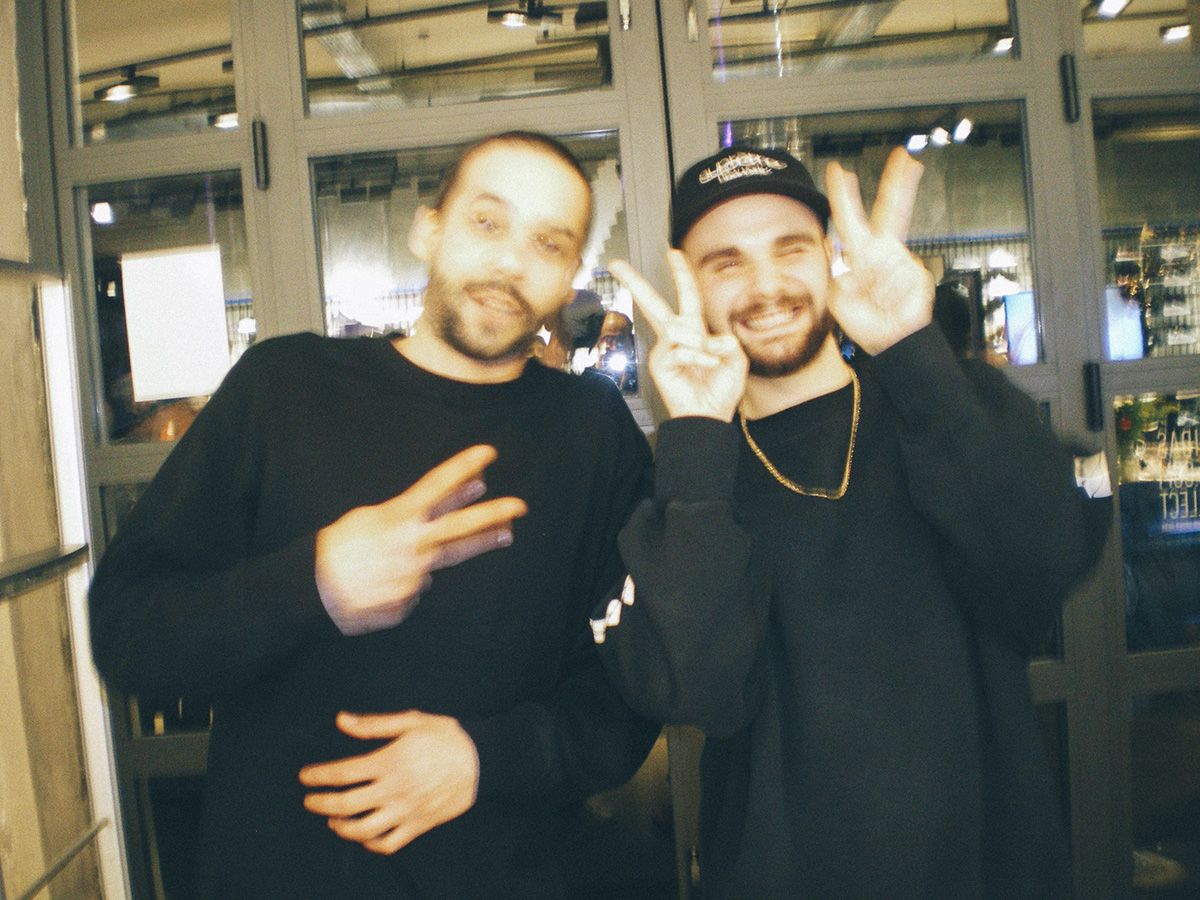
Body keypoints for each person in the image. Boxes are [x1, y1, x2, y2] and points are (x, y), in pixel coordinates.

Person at [89, 131, 658, 898]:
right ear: (428, 229)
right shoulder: (283, 388)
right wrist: (311, 583)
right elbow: (127, 633)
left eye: (549, 243)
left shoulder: (593, 432)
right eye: (488, 222)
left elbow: (634, 691)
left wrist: (485, 758)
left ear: (570, 275)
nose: (510, 262)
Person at [592, 145, 1111, 898]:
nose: (766, 286)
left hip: (987, 869)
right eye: (727, 262)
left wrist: (910, 350)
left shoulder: (944, 402)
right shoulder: (685, 481)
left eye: (790, 249)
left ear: (828, 257)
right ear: (691, 286)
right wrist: (697, 436)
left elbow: (1048, 558)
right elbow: (697, 691)